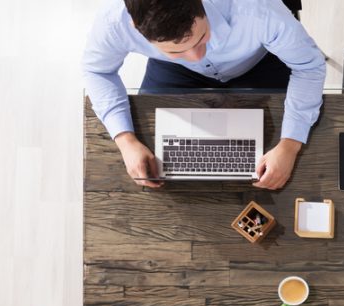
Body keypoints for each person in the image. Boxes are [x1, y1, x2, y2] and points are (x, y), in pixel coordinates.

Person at [82, 0, 326, 190]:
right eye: (176, 50)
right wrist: (126, 141)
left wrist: (290, 146)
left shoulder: (257, 9)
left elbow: (309, 66)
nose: (196, 56)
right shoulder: (115, 20)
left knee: (295, 166)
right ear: (136, 28)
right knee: (156, 162)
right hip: (174, 73)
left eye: (201, 38)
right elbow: (97, 70)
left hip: (260, 62)